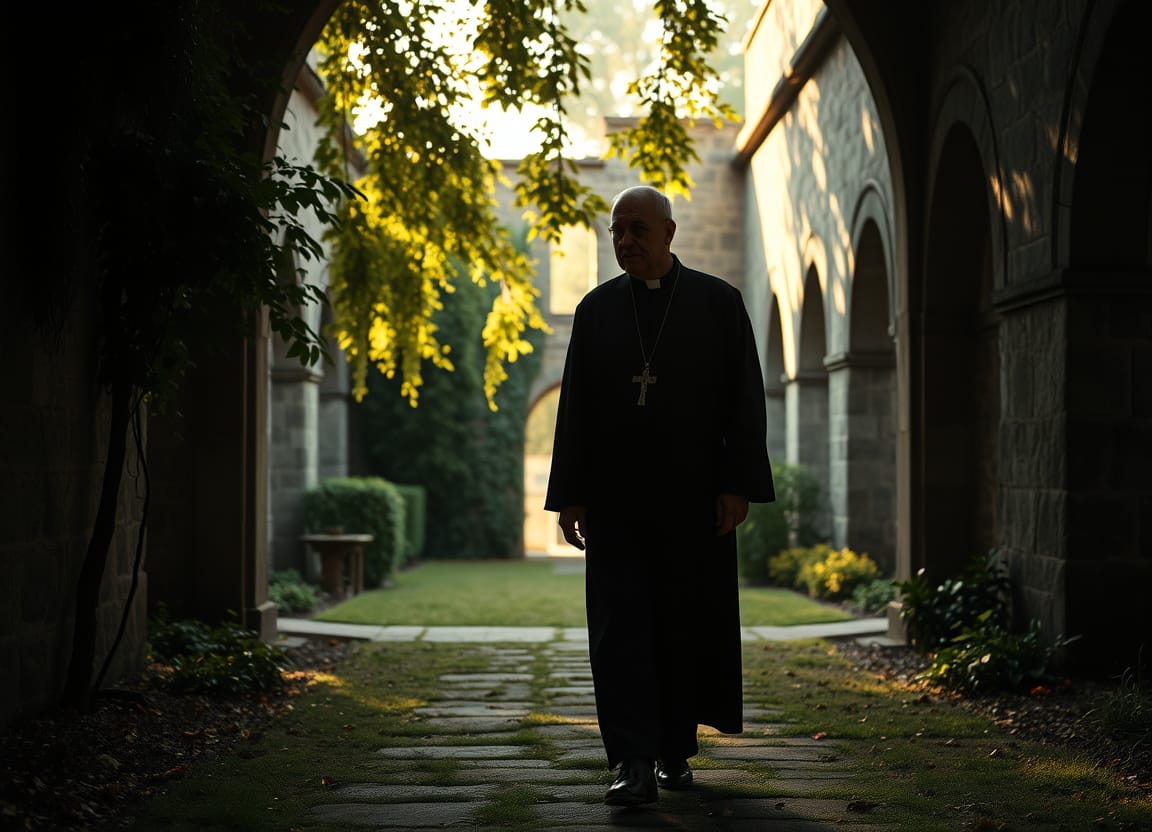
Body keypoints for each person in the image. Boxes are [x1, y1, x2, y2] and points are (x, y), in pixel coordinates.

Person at [545, 184, 775, 807]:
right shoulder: (596, 311)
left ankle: (675, 748)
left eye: (638, 229)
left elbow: (744, 401)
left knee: (683, 625)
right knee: (620, 631)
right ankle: (631, 760)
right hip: (617, 506)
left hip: (693, 504)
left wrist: (736, 484)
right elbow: (575, 411)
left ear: (670, 232)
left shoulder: (718, 304)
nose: (626, 241)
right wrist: (570, 495)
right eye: (617, 230)